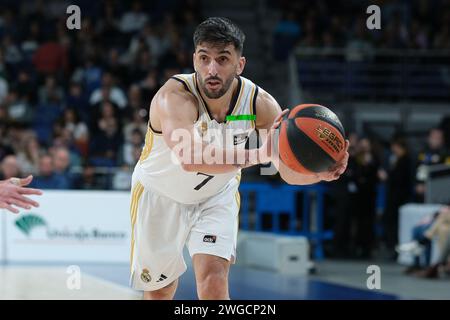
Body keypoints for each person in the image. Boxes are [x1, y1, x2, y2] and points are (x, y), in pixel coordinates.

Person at [130, 17, 349, 300]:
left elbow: (284, 169)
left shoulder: (260, 103)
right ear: (194, 60)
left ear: (240, 64)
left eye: (222, 59)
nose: (212, 68)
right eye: (204, 58)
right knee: (160, 291)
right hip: (160, 194)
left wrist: (320, 173)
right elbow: (189, 157)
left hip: (216, 195)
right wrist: (259, 153)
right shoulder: (173, 97)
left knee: (213, 281)